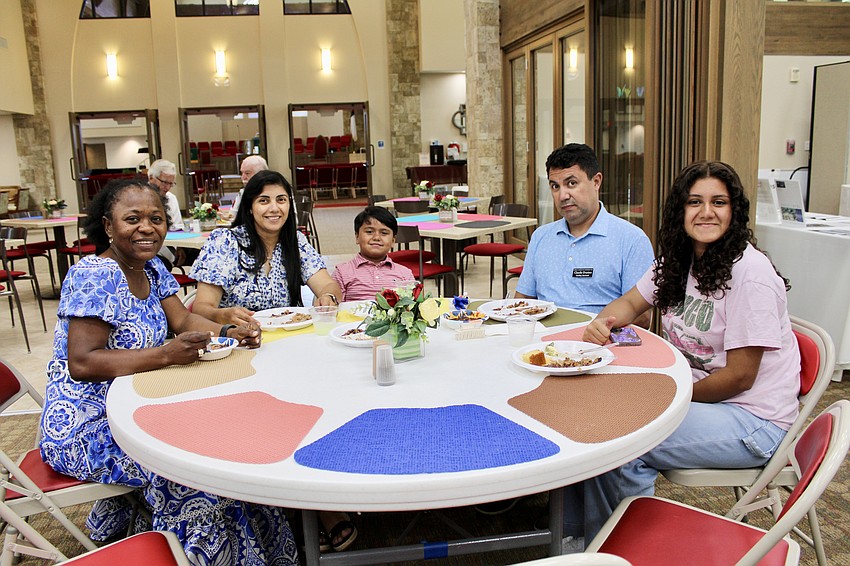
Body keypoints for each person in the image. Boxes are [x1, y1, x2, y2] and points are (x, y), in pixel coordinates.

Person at [38, 179, 298, 564]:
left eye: (156, 218)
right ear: (108, 226)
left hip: (143, 398)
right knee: (198, 467)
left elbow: (183, 319)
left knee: (231, 438)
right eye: (133, 219)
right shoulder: (95, 274)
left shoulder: (153, 267)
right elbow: (83, 362)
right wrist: (164, 356)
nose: (147, 227)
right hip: (90, 422)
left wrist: (229, 332)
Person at [572, 160, 800, 547]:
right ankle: (585, 538)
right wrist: (605, 323)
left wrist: (669, 397)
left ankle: (623, 549)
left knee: (621, 444)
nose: (706, 212)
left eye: (719, 202)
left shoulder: (751, 274)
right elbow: (630, 302)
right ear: (681, 210)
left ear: (735, 211)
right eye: (695, 202)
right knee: (600, 417)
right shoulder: (682, 260)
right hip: (701, 399)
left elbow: (740, 377)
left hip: (754, 420)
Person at [190, 170, 354, 551]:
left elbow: (327, 284)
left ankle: (320, 491)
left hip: (291, 345)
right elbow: (202, 307)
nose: (274, 208)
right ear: (249, 206)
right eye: (264, 200)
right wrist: (228, 315)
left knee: (325, 403)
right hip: (240, 347)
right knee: (272, 417)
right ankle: (293, 503)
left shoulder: (295, 241)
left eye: (281, 200)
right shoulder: (225, 243)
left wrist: (326, 299)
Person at [515, 143, 654, 317]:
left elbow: (641, 318)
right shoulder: (541, 237)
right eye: (555, 186)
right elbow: (522, 301)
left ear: (596, 181)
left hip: (601, 341)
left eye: (571, 183)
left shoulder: (631, 240)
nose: (562, 195)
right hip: (544, 340)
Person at [332, 206, 415, 301]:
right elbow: (333, 309)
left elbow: (412, 308)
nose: (376, 237)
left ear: (393, 241)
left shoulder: (405, 274)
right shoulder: (342, 273)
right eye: (369, 232)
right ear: (357, 237)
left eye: (384, 233)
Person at [148, 159, 189, 266]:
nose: (167, 187)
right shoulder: (138, 197)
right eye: (164, 182)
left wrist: (180, 247)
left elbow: (178, 226)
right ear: (151, 177)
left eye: (171, 184)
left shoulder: (171, 198)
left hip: (170, 246)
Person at [229, 155, 269, 220]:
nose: (243, 177)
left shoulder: (274, 192)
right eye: (242, 173)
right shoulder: (243, 192)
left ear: (261, 174)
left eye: (247, 173)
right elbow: (233, 215)